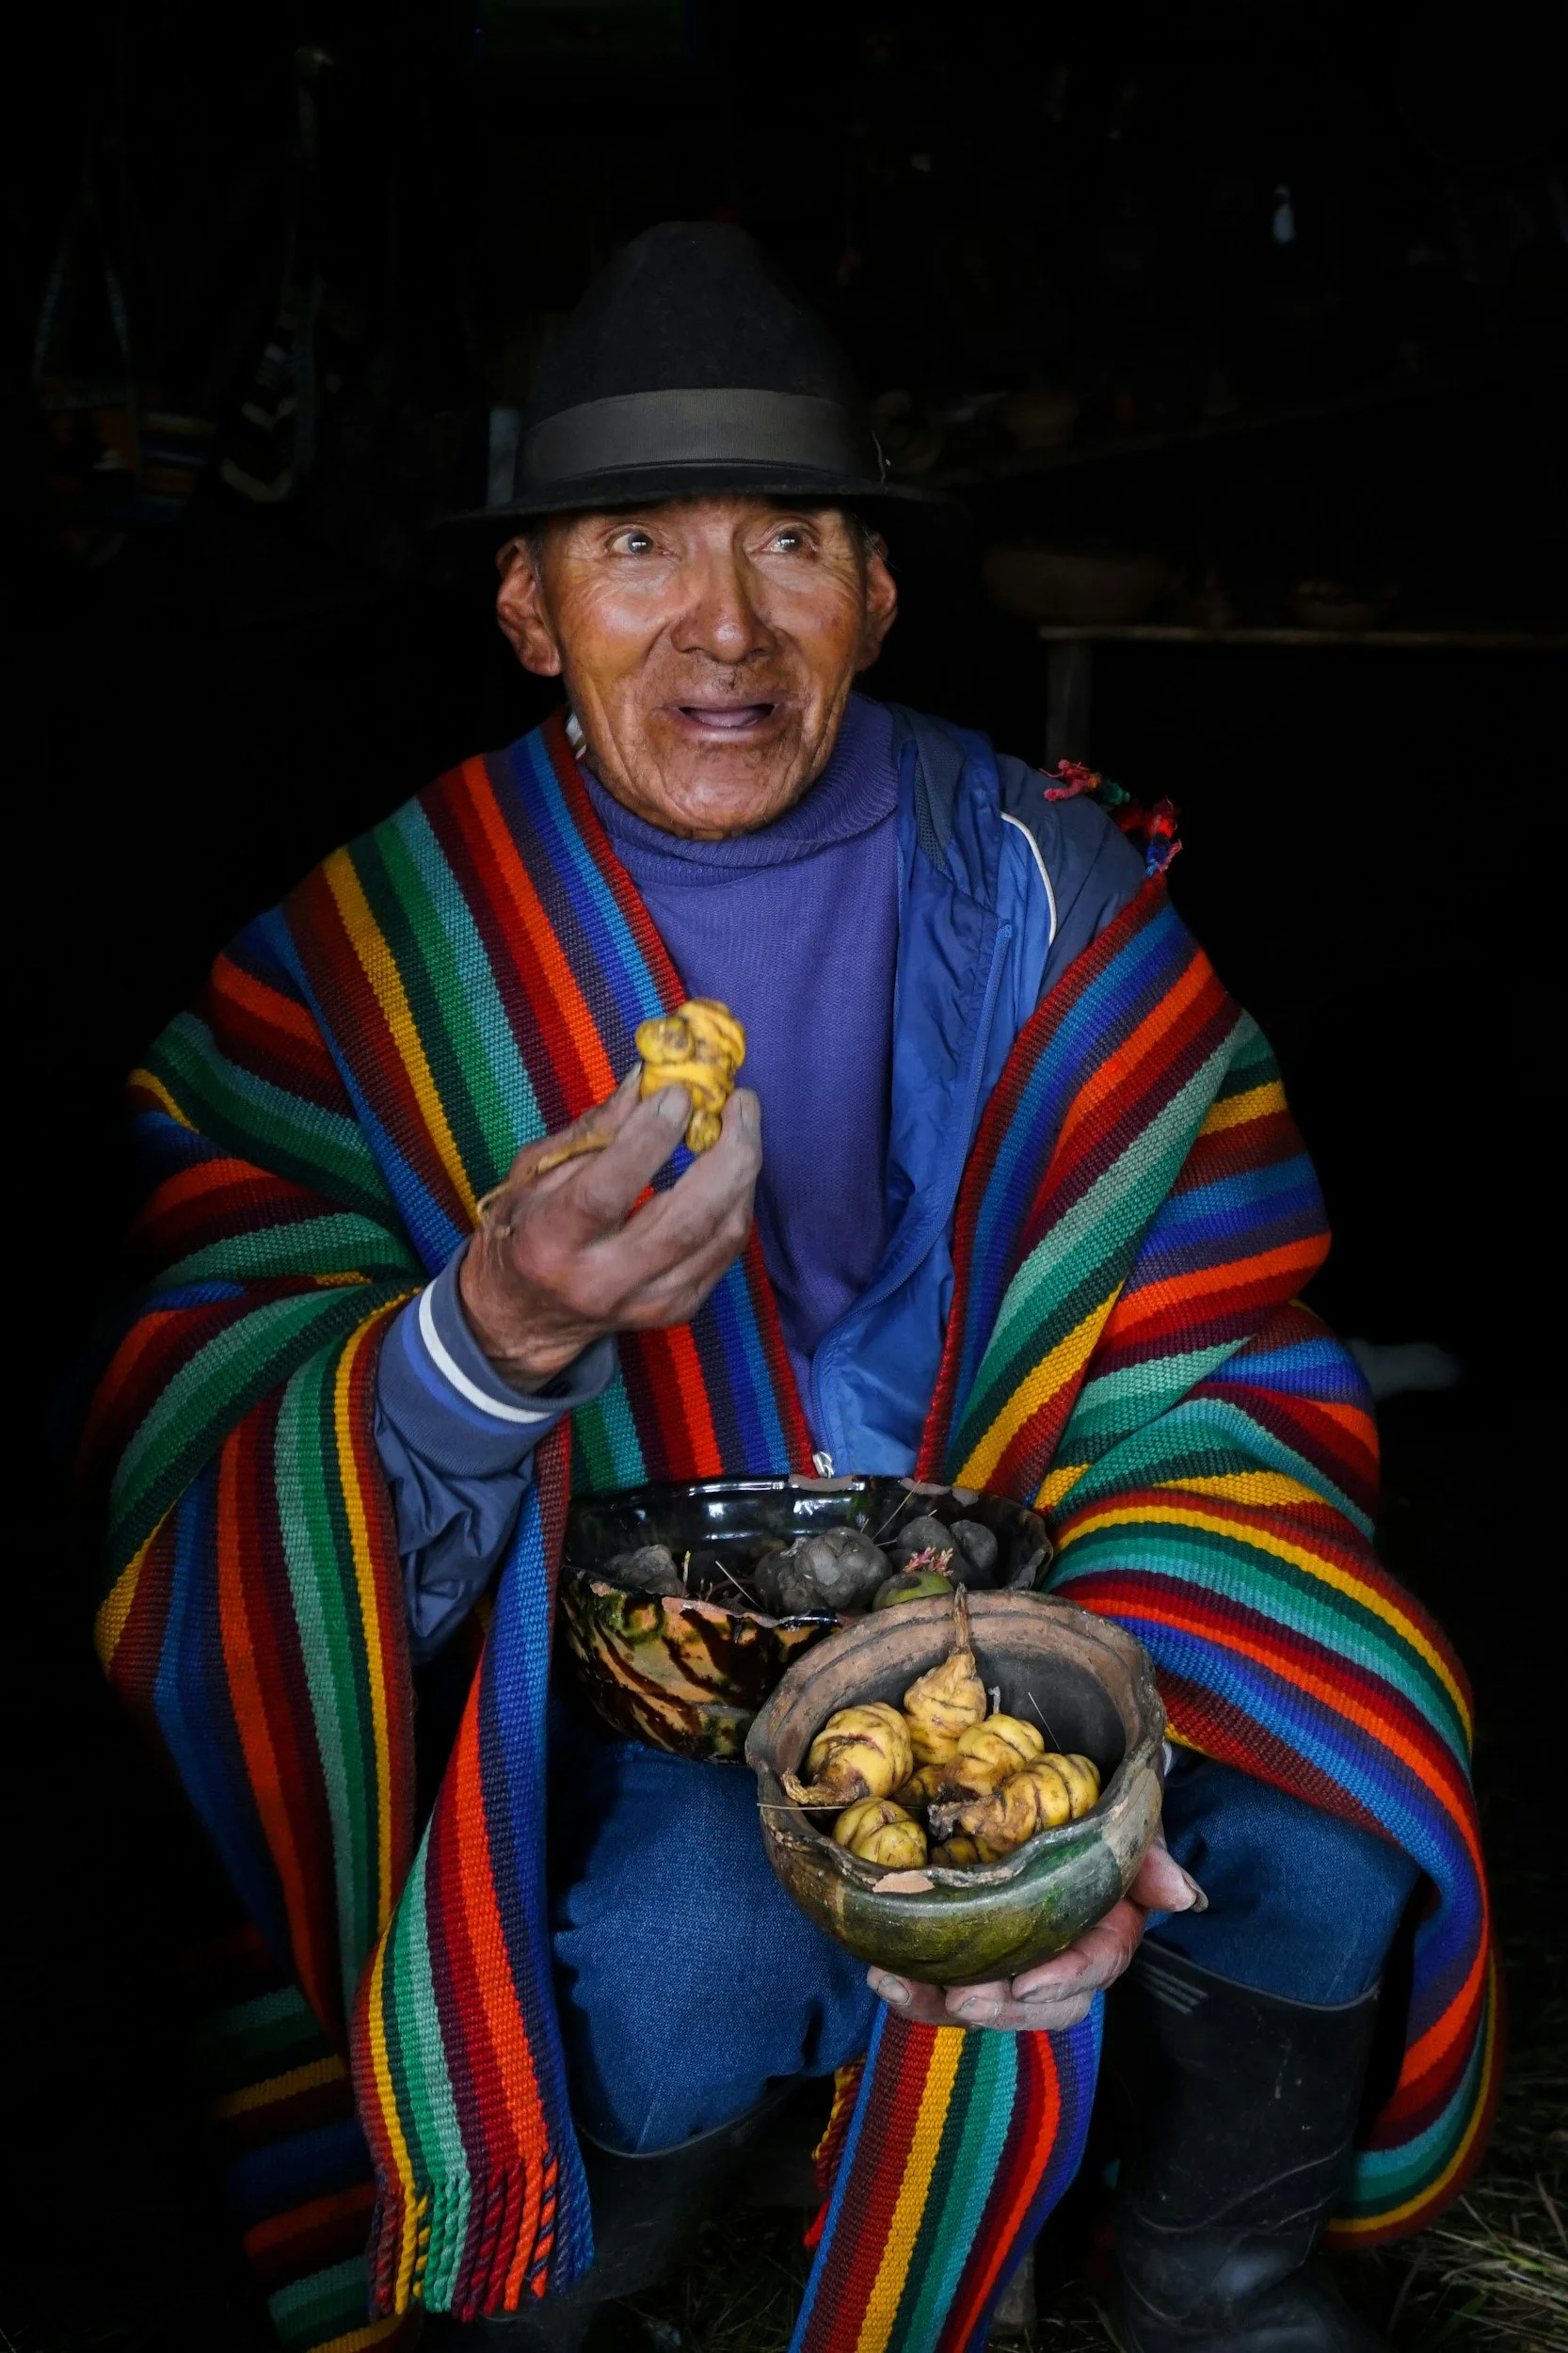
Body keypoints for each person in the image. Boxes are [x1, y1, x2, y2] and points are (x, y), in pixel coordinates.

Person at [88, 226, 1493, 2353]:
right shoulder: (376, 953)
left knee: (1332, 1769)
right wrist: (497, 1337)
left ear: (878, 592)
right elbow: (210, 1427)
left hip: (1055, 1604)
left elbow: (1213, 1351)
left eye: (791, 544)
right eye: (636, 545)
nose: (724, 625)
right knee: (683, 1956)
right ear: (527, 609)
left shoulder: (1046, 887)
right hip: (634, 1700)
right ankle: (583, 2285)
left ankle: (1212, 2271)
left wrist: (1075, 1723)